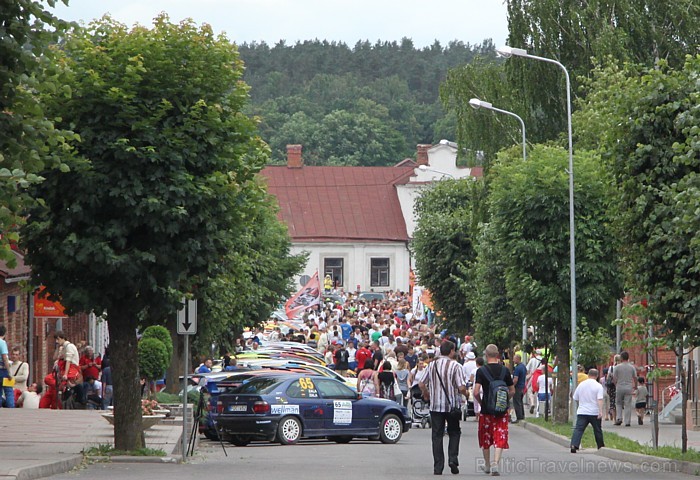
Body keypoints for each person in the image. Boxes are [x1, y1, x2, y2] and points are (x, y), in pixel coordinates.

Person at [419, 340, 468, 476]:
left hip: (435, 406)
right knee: (454, 432)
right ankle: (453, 459)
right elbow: (462, 387)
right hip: (451, 406)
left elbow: (422, 383)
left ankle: (438, 467)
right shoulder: (456, 366)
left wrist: (427, 394)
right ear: (451, 351)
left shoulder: (432, 365)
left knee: (437, 435)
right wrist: (466, 394)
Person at [473, 344, 515, 476]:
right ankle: (495, 463)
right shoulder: (505, 370)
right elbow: (512, 390)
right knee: (500, 435)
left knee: (486, 436)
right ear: (498, 355)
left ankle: (486, 465)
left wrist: (481, 403)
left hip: (486, 410)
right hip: (501, 411)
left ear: (486, 355)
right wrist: (503, 401)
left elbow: (475, 392)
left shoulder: (481, 371)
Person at [570, 368, 605, 452]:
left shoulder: (581, 385)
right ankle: (600, 446)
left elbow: (575, 397)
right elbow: (599, 399)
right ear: (596, 376)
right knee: (597, 430)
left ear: (588, 375)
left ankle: (574, 445)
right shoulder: (598, 386)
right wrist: (600, 411)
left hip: (582, 411)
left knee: (578, 429)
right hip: (594, 412)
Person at [613, 351, 637, 426]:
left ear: (621, 358)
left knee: (618, 403)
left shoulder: (617, 367)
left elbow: (614, 378)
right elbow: (635, 377)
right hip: (629, 387)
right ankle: (627, 421)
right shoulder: (632, 367)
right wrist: (635, 386)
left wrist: (616, 384)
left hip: (619, 387)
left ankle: (619, 418)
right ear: (628, 358)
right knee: (627, 404)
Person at [0, 325, 14, 408]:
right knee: (8, 390)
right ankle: (10, 408)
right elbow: (5, 358)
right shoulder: (2, 343)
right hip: (3, 369)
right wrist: (9, 372)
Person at [511, 354, 527, 423]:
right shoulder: (523, 367)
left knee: (516, 402)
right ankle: (522, 415)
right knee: (520, 401)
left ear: (518, 359)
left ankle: (519, 417)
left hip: (517, 387)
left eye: (514, 359)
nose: (513, 360)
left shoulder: (517, 368)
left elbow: (515, 379)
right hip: (522, 386)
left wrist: (512, 386)